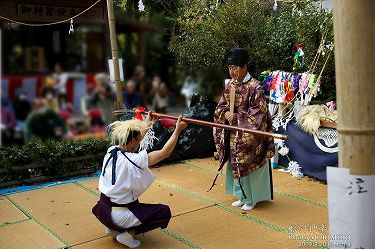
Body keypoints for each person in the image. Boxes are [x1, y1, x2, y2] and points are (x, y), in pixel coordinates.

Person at [92, 116, 187, 248]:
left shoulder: (111, 151)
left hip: (102, 210)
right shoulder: (134, 160)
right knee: (163, 212)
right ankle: (127, 234)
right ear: (132, 141)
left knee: (131, 201)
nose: (139, 142)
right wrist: (177, 130)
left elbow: (135, 137)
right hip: (119, 215)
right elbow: (164, 153)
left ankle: (112, 228)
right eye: (137, 140)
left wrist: (149, 123)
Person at [213, 48, 275, 211]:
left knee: (248, 161)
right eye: (230, 68)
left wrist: (238, 117)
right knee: (234, 162)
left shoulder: (256, 87)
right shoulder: (230, 85)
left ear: (244, 67)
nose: (232, 71)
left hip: (249, 134)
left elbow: (259, 113)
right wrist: (225, 113)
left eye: (235, 68)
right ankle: (241, 195)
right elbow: (221, 105)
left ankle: (253, 198)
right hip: (233, 133)